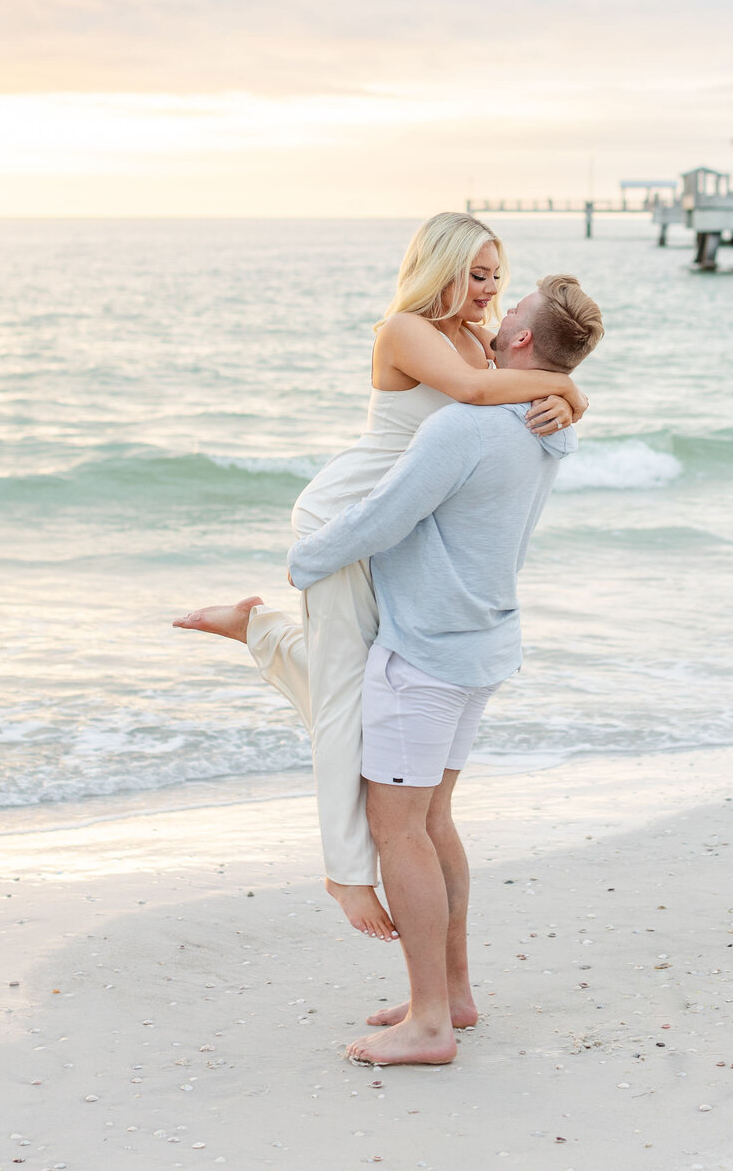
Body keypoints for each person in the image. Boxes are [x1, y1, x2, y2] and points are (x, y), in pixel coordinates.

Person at [173, 213, 588, 940]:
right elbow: (470, 392)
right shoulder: (406, 331)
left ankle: (259, 628)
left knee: (357, 684)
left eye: (497, 277)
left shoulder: (475, 341)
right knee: (342, 700)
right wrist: (571, 391)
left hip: (390, 531)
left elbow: (495, 403)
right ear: (440, 268)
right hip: (343, 523)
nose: (489, 291)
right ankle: (346, 874)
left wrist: (565, 396)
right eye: (475, 274)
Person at [286, 274, 605, 1066]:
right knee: (432, 824)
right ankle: (452, 995)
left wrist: (306, 558)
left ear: (523, 341)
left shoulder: (465, 426)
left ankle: (428, 1024)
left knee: (400, 832)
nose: (498, 313)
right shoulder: (547, 422)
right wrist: (572, 390)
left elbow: (384, 516)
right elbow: (559, 399)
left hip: (425, 654)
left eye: (514, 307)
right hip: (483, 646)